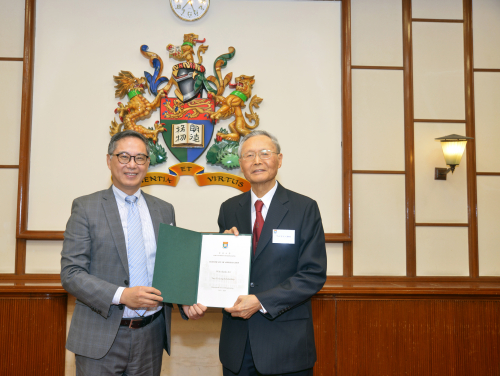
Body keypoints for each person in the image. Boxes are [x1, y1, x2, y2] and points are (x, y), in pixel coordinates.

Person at [61, 130, 206, 376]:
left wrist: (185, 302)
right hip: (101, 336)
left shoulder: (164, 210)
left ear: (147, 164)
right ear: (109, 160)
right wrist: (122, 295)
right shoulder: (86, 207)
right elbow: (71, 274)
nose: (132, 164)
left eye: (140, 158)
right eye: (124, 156)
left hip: (150, 336)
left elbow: (170, 269)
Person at [217, 130, 327, 376]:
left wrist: (261, 301)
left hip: (285, 345)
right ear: (241, 165)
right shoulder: (229, 208)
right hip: (237, 345)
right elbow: (223, 271)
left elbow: (313, 274)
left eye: (265, 154)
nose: (257, 161)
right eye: (249, 155)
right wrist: (222, 249)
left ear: (279, 159)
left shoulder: (304, 208)